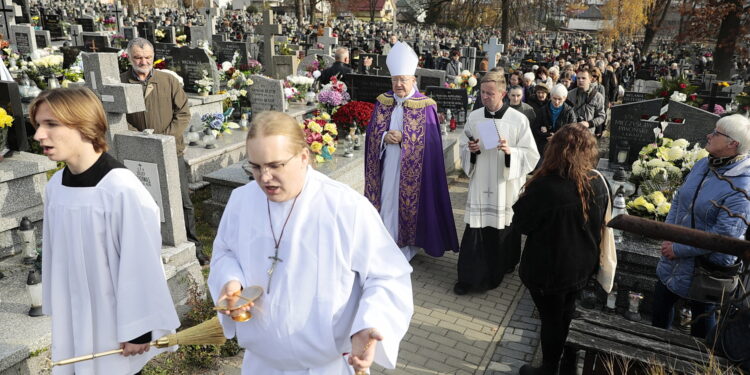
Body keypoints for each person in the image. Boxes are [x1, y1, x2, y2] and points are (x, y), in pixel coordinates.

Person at [208, 111, 414, 375]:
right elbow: (225, 251)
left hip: (323, 367)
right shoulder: (241, 201)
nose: (265, 178)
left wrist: (367, 324)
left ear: (304, 157)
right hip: (260, 365)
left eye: (275, 165)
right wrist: (230, 280)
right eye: (256, 167)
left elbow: (387, 275)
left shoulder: (344, 207)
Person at [33, 87, 180, 375]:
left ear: (84, 125)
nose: (39, 134)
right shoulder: (56, 186)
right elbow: (55, 256)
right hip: (75, 316)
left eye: (51, 124)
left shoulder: (120, 189)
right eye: (38, 124)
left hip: (114, 323)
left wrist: (138, 328)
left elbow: (141, 265)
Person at [512, 124, 609, 375]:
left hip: (549, 270)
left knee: (552, 319)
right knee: (565, 313)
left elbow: (522, 224)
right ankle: (566, 363)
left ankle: (549, 367)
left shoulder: (546, 187)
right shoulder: (597, 181)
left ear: (555, 151)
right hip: (582, 266)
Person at [652, 114, 750, 339]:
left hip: (707, 270)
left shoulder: (743, 186)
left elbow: (723, 236)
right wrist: (669, 234)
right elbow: (679, 199)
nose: (709, 135)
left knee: (701, 333)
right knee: (658, 319)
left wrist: (678, 249)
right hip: (672, 258)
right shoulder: (704, 164)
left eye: (716, 133)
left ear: (732, 144)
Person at [364, 42, 459, 261]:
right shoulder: (383, 102)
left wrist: (405, 139)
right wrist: (383, 137)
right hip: (387, 164)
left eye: (403, 80)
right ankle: (384, 243)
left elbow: (432, 144)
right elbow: (372, 133)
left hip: (413, 173)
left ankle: (405, 246)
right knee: (387, 200)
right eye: (395, 79)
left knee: (405, 207)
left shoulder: (425, 105)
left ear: (413, 80)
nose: (398, 84)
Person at [120, 37, 207, 265]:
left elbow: (183, 113)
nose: (143, 61)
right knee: (144, 202)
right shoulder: (121, 83)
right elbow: (117, 117)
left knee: (182, 200)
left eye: (147, 57)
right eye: (138, 57)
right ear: (129, 57)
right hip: (139, 152)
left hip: (171, 151)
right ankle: (153, 244)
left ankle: (195, 246)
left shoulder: (167, 81)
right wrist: (140, 137)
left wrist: (165, 138)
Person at [454, 71, 539, 295]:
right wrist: (470, 150)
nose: (485, 97)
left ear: (503, 93)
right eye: (482, 92)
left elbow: (531, 154)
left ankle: (498, 270)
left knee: (501, 229)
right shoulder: (475, 117)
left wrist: (511, 152)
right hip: (481, 181)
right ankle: (470, 277)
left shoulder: (518, 119)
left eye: (490, 93)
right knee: (476, 229)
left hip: (504, 184)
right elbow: (464, 145)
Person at [531, 84, 577, 166]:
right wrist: (547, 134)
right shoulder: (542, 110)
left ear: (565, 98)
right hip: (544, 148)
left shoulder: (569, 111)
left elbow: (573, 131)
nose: (556, 102)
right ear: (550, 96)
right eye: (554, 98)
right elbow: (535, 129)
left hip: (562, 149)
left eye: (560, 99)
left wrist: (557, 136)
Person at [566, 68, 606, 137]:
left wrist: (589, 123)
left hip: (588, 134)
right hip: (572, 133)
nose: (580, 80)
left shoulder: (597, 97)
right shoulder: (569, 95)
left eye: (583, 78)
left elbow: (601, 116)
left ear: (590, 80)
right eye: (578, 78)